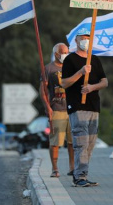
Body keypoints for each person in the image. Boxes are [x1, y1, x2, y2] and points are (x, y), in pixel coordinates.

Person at [61, 28, 108, 187]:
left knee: (90, 143)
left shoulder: (94, 59)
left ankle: (83, 174)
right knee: (81, 141)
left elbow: (105, 82)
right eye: (83, 38)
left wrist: (92, 88)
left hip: (93, 106)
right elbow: (64, 83)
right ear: (76, 40)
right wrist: (81, 72)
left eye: (88, 38)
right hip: (77, 106)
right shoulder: (70, 59)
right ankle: (79, 176)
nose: (85, 41)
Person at [39, 43, 74, 178]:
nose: (65, 54)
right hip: (57, 109)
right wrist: (47, 107)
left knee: (72, 141)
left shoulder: (71, 67)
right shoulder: (48, 69)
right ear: (56, 54)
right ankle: (55, 168)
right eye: (63, 52)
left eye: (67, 51)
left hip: (72, 109)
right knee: (55, 142)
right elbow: (42, 90)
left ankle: (72, 167)